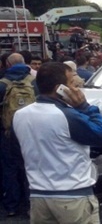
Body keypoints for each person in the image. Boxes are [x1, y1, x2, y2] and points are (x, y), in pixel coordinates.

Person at [12, 62, 102, 223]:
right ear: (60, 88)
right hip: (73, 196)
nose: (76, 87)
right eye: (71, 83)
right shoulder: (68, 115)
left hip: (38, 196)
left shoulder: (20, 115)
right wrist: (85, 107)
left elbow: (18, 153)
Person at [0, 53, 36, 217]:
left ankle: (12, 205)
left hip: (8, 133)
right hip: (32, 132)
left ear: (7, 64)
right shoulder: (35, 82)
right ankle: (31, 204)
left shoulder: (2, 84)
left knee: (10, 169)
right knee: (31, 167)